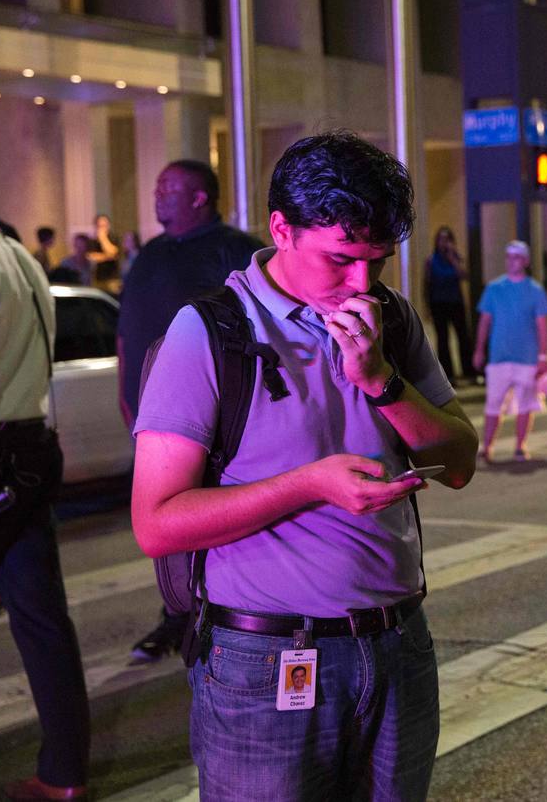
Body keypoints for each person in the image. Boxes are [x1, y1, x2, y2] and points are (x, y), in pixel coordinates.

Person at [130, 131, 478, 800]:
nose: (360, 283)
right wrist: (310, 485)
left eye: (378, 261)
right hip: (265, 662)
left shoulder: (389, 320)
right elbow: (157, 522)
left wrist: (380, 379)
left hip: (398, 646)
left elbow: (458, 462)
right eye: (341, 259)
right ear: (281, 229)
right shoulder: (209, 332)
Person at [118, 159, 264, 663]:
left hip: (219, 416)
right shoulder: (149, 256)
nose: (157, 193)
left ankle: (216, 615)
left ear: (200, 197)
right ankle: (178, 613)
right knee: (166, 526)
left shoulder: (234, 249)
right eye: (157, 185)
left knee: (211, 517)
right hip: (154, 416)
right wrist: (125, 393)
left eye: (169, 187)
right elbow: (127, 330)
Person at [0, 218, 92, 802]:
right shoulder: (18, 254)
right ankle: (64, 771)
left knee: (39, 616)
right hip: (27, 444)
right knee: (41, 619)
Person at [473, 240, 547, 462]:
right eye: (508, 257)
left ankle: (520, 445)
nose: (511, 261)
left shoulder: (535, 290)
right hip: (499, 356)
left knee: (525, 404)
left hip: (526, 358)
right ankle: (487, 447)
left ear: (525, 261)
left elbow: (542, 326)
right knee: (493, 404)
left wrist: (543, 356)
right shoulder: (494, 288)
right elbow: (485, 321)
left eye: (516, 257)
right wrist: (479, 349)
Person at [423, 225, 474, 383]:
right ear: (437, 242)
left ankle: (469, 371)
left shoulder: (456, 258)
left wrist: (453, 259)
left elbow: (464, 276)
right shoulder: (431, 261)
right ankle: (448, 375)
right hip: (438, 303)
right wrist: (427, 308)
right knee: (443, 339)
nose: (444, 243)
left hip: (456, 302)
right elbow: (427, 284)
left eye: (447, 239)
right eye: (441, 239)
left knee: (463, 337)